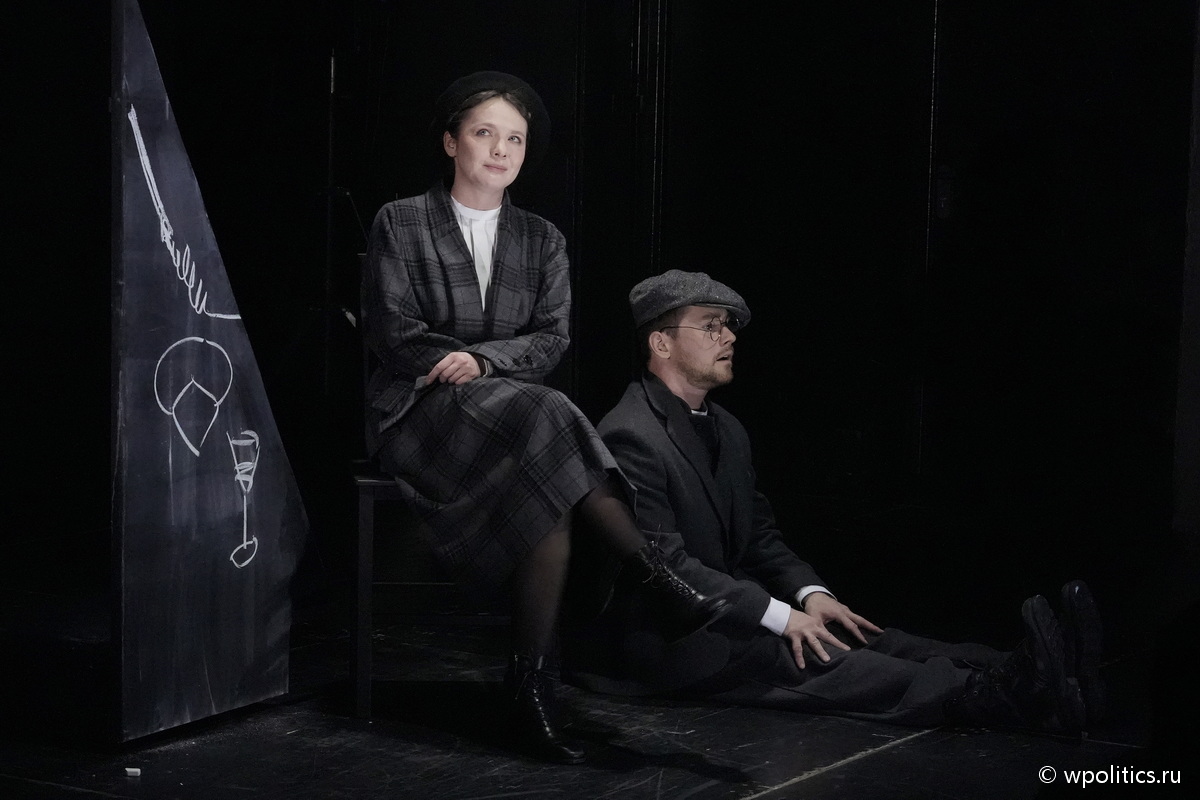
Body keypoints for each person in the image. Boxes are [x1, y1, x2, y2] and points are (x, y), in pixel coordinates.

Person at [562, 269, 1105, 733]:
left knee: (859, 634)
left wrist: (810, 593)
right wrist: (780, 616)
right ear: (661, 343)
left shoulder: (727, 428)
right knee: (836, 665)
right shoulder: (630, 434)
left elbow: (759, 536)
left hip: (731, 612)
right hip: (666, 642)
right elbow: (666, 568)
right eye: (711, 325)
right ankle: (1007, 696)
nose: (728, 336)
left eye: (727, 325)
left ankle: (1036, 667)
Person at [360, 76, 727, 764]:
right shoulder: (400, 221)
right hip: (419, 407)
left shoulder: (542, 238)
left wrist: (484, 361)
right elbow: (392, 330)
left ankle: (529, 685)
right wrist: (457, 362)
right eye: (484, 133)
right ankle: (647, 572)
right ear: (451, 142)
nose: (501, 150)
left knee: (548, 466)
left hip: (508, 415)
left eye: (516, 139)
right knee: (550, 413)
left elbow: (553, 338)